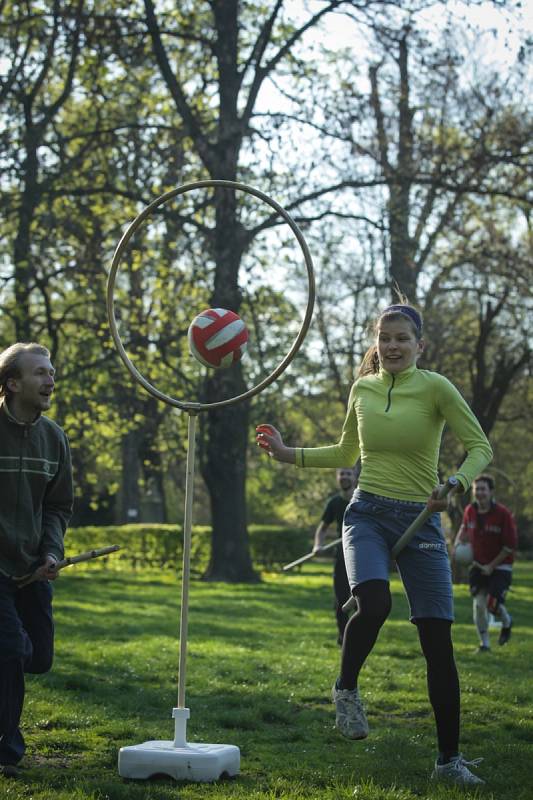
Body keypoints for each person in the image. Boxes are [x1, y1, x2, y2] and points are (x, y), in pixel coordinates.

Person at [256, 302, 492, 787]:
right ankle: (346, 689)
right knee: (375, 600)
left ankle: (448, 761)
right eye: (385, 338)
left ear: (419, 345)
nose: (393, 346)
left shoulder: (436, 388)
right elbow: (346, 453)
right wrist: (287, 454)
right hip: (365, 513)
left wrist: (455, 483)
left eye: (402, 338)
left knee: (437, 641)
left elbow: (480, 447)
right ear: (376, 343)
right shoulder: (362, 389)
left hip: (422, 519)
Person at [0, 343, 73, 776]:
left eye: (52, 372)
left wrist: (50, 552)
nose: (50, 379)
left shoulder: (55, 438)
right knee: (11, 650)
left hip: (32, 568)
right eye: (40, 373)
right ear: (12, 383)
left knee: (38, 656)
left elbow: (59, 506)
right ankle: (6, 750)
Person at [454, 474, 517, 653]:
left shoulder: (503, 514)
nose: (479, 492)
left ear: (491, 492)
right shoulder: (470, 510)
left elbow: (510, 546)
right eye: (476, 489)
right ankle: (485, 645)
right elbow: (464, 529)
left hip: (500, 566)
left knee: (493, 604)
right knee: (479, 605)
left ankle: (506, 621)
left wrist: (491, 566)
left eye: (483, 489)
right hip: (478, 565)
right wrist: (458, 544)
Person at [312, 467, 358, 645]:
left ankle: (359, 638)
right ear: (337, 478)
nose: (344, 477)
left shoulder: (361, 499)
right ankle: (343, 638)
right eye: (341, 474)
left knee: (363, 599)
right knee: (341, 600)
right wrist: (318, 545)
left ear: (355, 477)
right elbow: (322, 529)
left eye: (348, 473)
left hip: (362, 554)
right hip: (341, 556)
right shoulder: (335, 503)